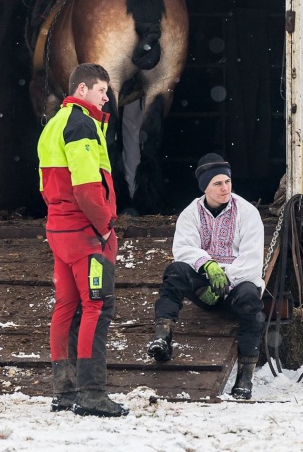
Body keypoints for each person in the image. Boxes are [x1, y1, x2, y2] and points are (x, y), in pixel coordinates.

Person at [37, 63, 127, 417]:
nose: (107, 98)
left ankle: (64, 392)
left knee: (65, 308)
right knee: (96, 307)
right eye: (102, 90)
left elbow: (47, 184)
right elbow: (88, 188)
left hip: (59, 230)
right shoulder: (82, 124)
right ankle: (91, 394)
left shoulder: (53, 125)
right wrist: (104, 227)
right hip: (85, 233)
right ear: (83, 89)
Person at [147, 153, 266, 399]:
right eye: (217, 184)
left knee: (250, 302)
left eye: (227, 182)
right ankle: (163, 338)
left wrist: (224, 277)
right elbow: (183, 249)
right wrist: (208, 267)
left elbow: (252, 261)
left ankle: (245, 377)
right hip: (204, 285)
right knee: (175, 272)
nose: (225, 189)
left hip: (237, 284)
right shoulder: (191, 213)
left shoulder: (247, 213)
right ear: (205, 187)